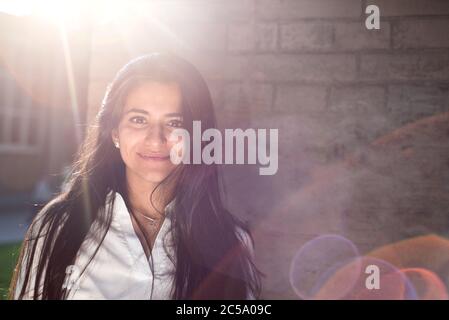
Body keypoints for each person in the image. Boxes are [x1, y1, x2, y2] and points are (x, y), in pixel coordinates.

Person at [9, 53, 263, 300]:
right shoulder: (57, 227)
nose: (156, 139)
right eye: (139, 119)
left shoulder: (231, 242)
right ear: (115, 132)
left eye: (175, 123)